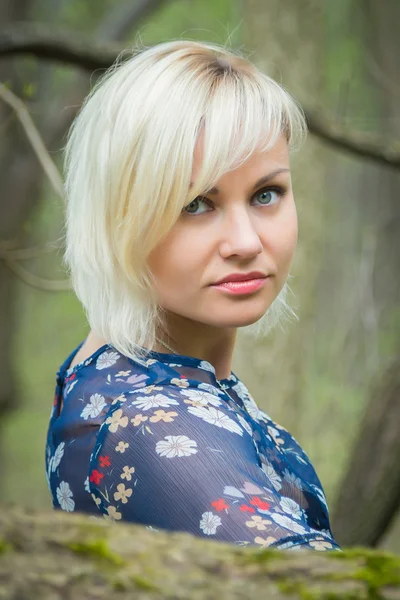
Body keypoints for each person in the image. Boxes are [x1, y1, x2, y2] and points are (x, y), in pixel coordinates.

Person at [45, 39, 341, 552]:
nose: (247, 242)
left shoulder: (138, 377)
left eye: (265, 194)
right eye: (196, 204)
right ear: (119, 217)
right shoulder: (148, 423)